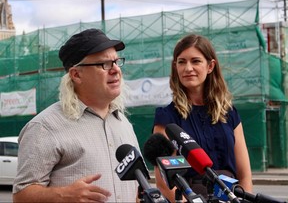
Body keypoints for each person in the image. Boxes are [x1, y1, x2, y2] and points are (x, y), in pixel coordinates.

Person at [13, 28, 140, 202]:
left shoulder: (123, 122)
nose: (116, 70)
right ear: (76, 75)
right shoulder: (44, 127)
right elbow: (21, 196)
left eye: (117, 62)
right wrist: (64, 195)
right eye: (105, 64)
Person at [153, 33, 253, 201]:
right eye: (182, 62)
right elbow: (163, 181)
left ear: (210, 66)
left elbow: (245, 174)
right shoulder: (167, 118)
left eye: (196, 61)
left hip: (232, 197)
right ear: (175, 67)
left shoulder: (229, 113)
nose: (188, 68)